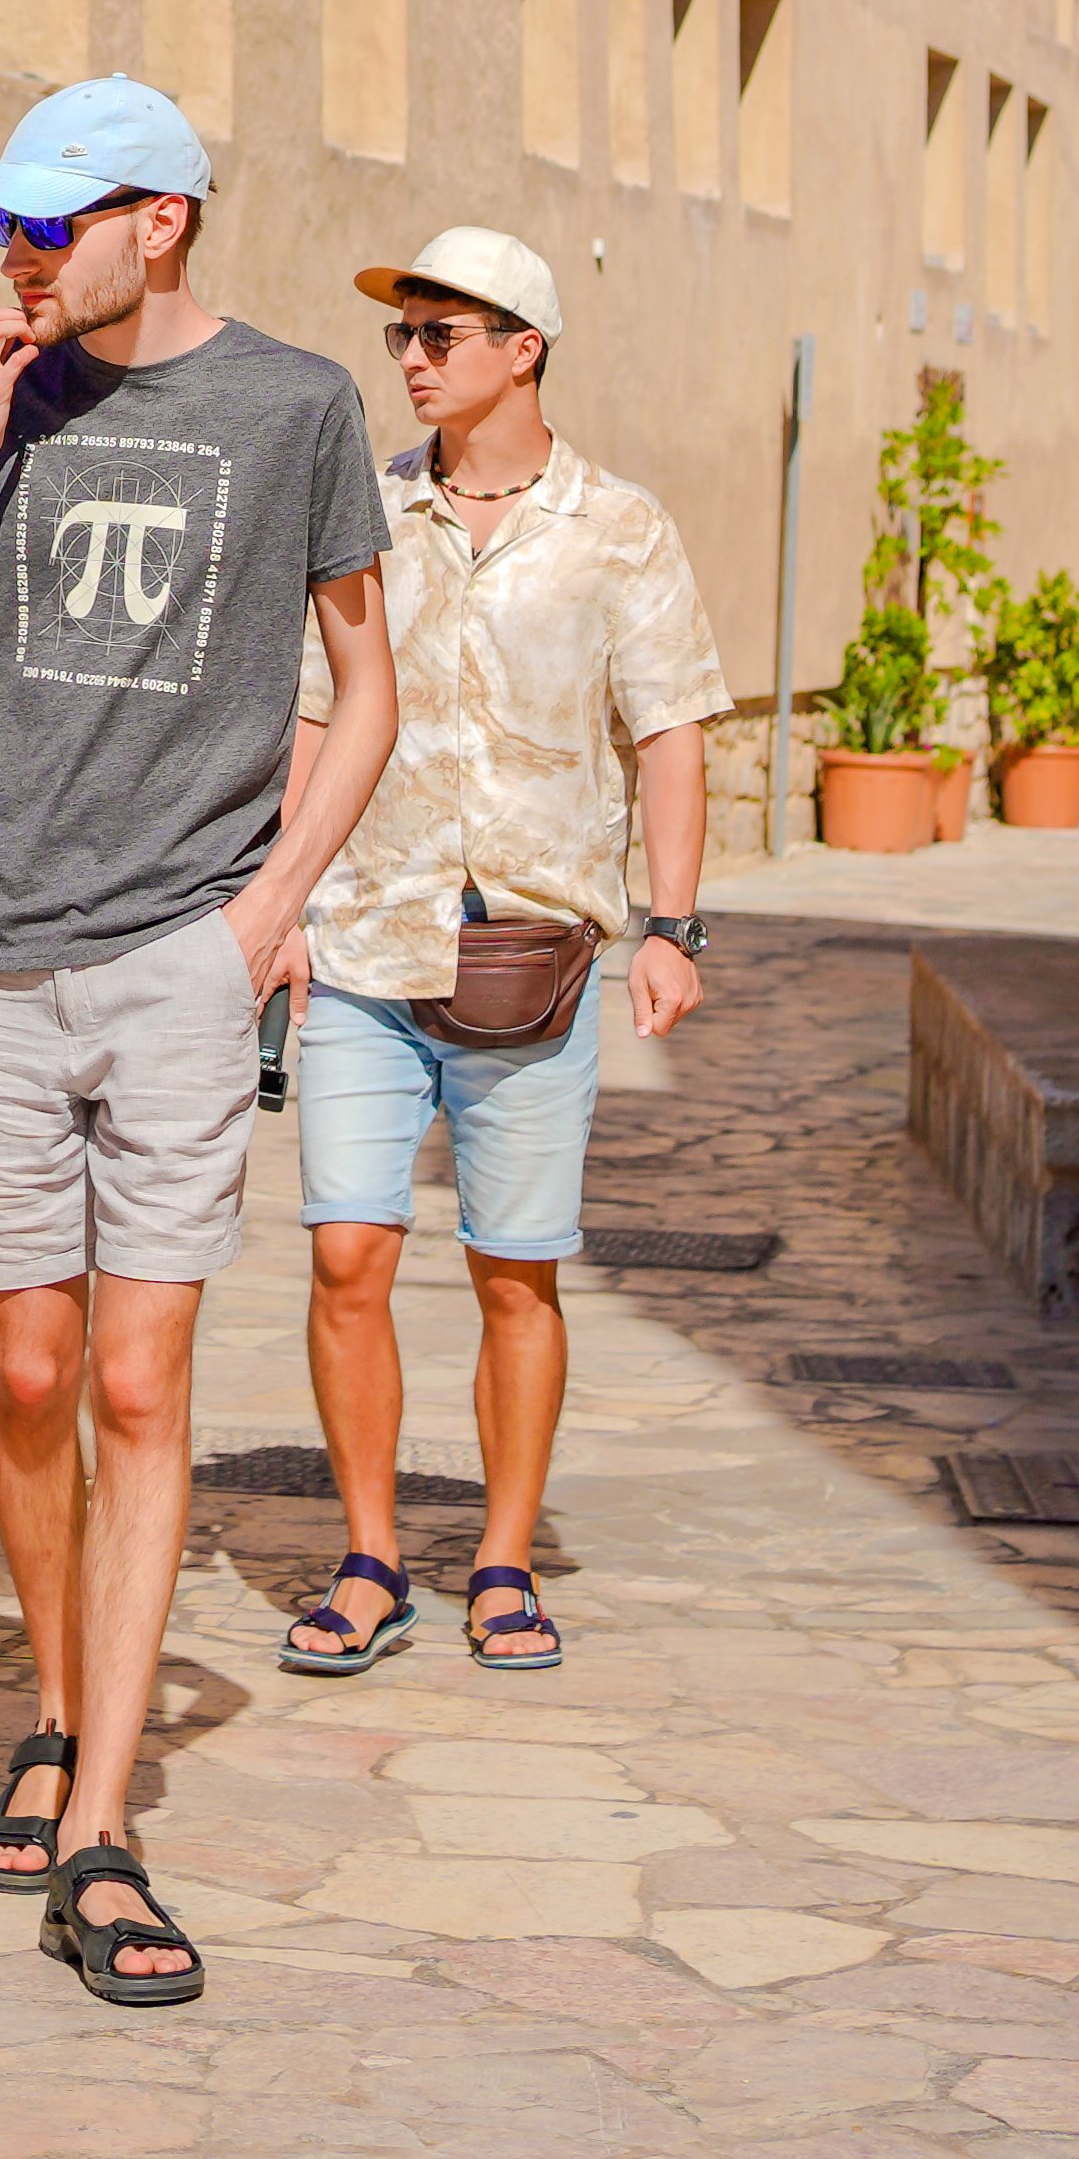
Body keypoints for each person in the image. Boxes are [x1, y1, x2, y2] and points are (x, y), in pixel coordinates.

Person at [0, 79, 394, 2011]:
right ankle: (67, 1709)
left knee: (143, 1380)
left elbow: (367, 685)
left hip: (180, 956)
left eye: (51, 221)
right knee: (26, 1373)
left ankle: (99, 1818)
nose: (19, 251)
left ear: (161, 219)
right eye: (4, 221)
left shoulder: (297, 405)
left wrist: (269, 910)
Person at [284, 227, 724, 1678]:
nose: (411, 359)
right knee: (347, 1250)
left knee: (514, 1272)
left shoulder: (619, 527)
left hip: (536, 955)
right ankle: (369, 1558)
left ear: (523, 347)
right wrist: (281, 904)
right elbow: (312, 714)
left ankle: (504, 1560)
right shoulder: (365, 509)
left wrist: (670, 925)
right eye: (402, 336)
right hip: (367, 936)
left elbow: (669, 729)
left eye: (441, 334)